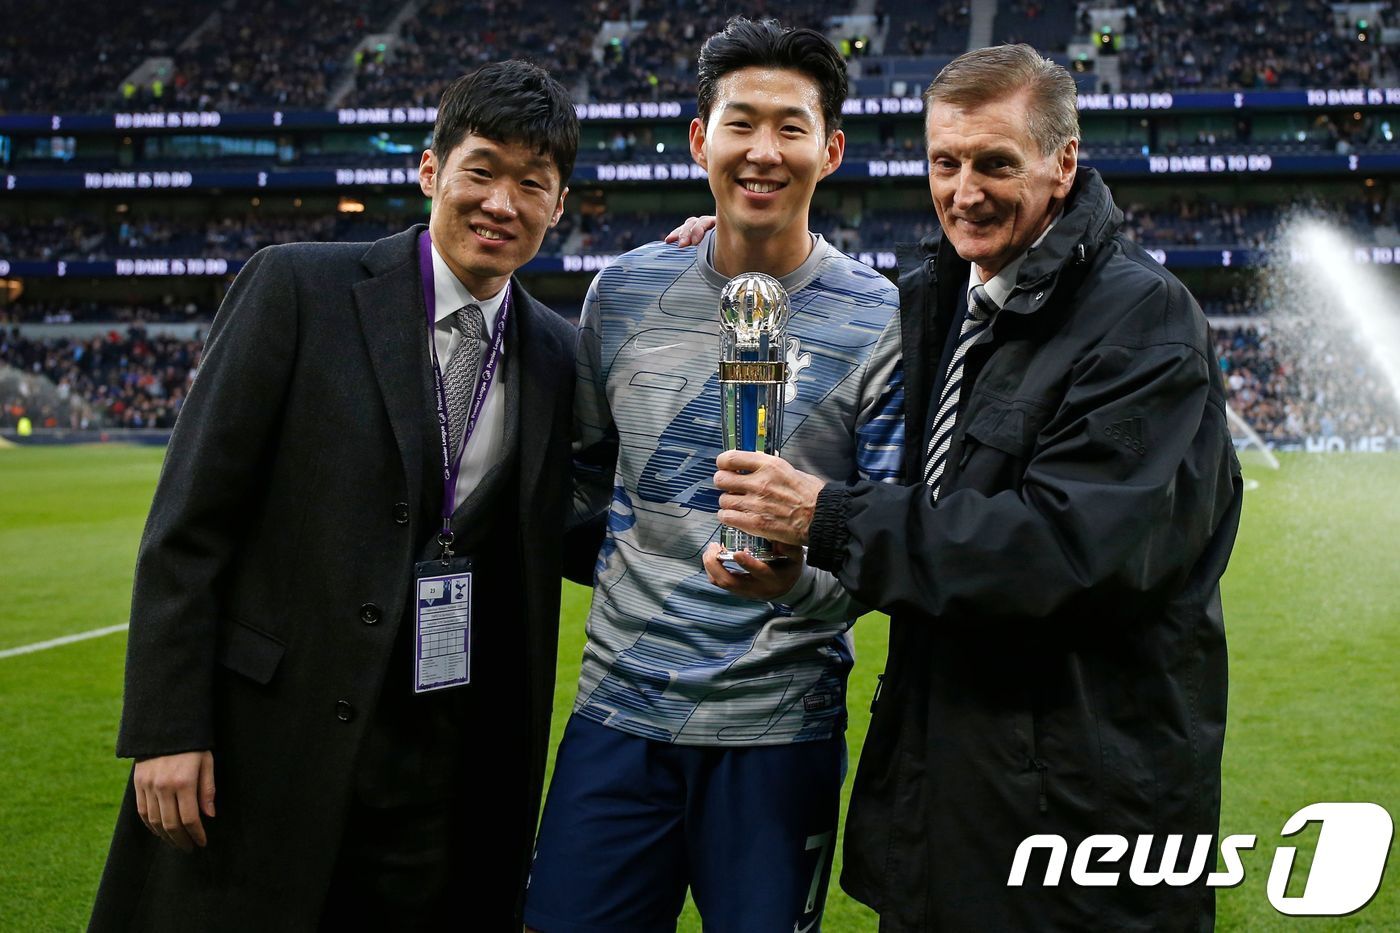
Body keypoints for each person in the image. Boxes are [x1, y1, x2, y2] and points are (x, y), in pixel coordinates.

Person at [713, 44, 1243, 930]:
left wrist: (828, 518)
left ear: (1062, 162)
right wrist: (722, 234)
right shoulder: (941, 300)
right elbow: (937, 525)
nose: (965, 191)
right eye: (945, 163)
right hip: (949, 795)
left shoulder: (1145, 321)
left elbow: (1061, 553)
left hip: (1080, 822)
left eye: (997, 163)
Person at [90, 60, 580, 931]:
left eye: (531, 184)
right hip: (268, 744)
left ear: (559, 205)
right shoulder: (297, 288)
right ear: (432, 171)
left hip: (442, 768)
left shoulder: (556, 354)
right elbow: (189, 524)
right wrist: (167, 727)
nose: (502, 203)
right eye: (482, 170)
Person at [524, 18, 903, 933]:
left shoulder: (885, 316)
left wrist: (798, 580)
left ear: (832, 148)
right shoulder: (621, 292)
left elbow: (892, 527)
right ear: (700, 140)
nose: (762, 151)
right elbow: (581, 479)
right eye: (740, 123)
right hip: (619, 713)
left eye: (790, 126)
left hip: (780, 726)